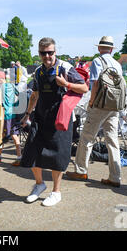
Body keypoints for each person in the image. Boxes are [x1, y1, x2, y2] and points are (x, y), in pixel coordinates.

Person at [20, 37, 88, 206]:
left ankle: (56, 192)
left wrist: (66, 84)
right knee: (32, 151)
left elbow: (84, 88)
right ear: (39, 53)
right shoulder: (38, 71)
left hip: (60, 119)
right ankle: (39, 184)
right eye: (44, 53)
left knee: (57, 155)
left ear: (55, 52)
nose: (47, 56)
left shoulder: (65, 67)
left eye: (50, 52)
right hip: (41, 116)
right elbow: (35, 94)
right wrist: (27, 114)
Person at [67, 36, 124, 188]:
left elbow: (95, 84)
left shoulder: (98, 61)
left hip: (100, 105)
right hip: (114, 106)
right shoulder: (117, 64)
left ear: (99, 48)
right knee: (112, 141)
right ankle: (115, 176)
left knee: (87, 137)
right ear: (111, 49)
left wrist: (91, 102)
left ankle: (80, 170)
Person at [0, 71, 22, 166]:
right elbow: (19, 95)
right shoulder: (11, 85)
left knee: (3, 135)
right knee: (14, 135)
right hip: (13, 113)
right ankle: (19, 157)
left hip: (5, 115)